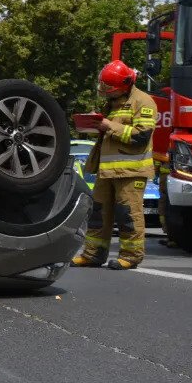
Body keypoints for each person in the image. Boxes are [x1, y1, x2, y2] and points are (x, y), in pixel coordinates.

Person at [72, 60, 158, 270]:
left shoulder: (143, 102)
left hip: (131, 170)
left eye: (110, 90)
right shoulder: (112, 102)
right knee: (98, 213)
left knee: (128, 213)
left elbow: (140, 136)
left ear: (126, 83)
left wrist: (108, 125)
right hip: (107, 170)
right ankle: (93, 254)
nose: (107, 94)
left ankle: (131, 256)